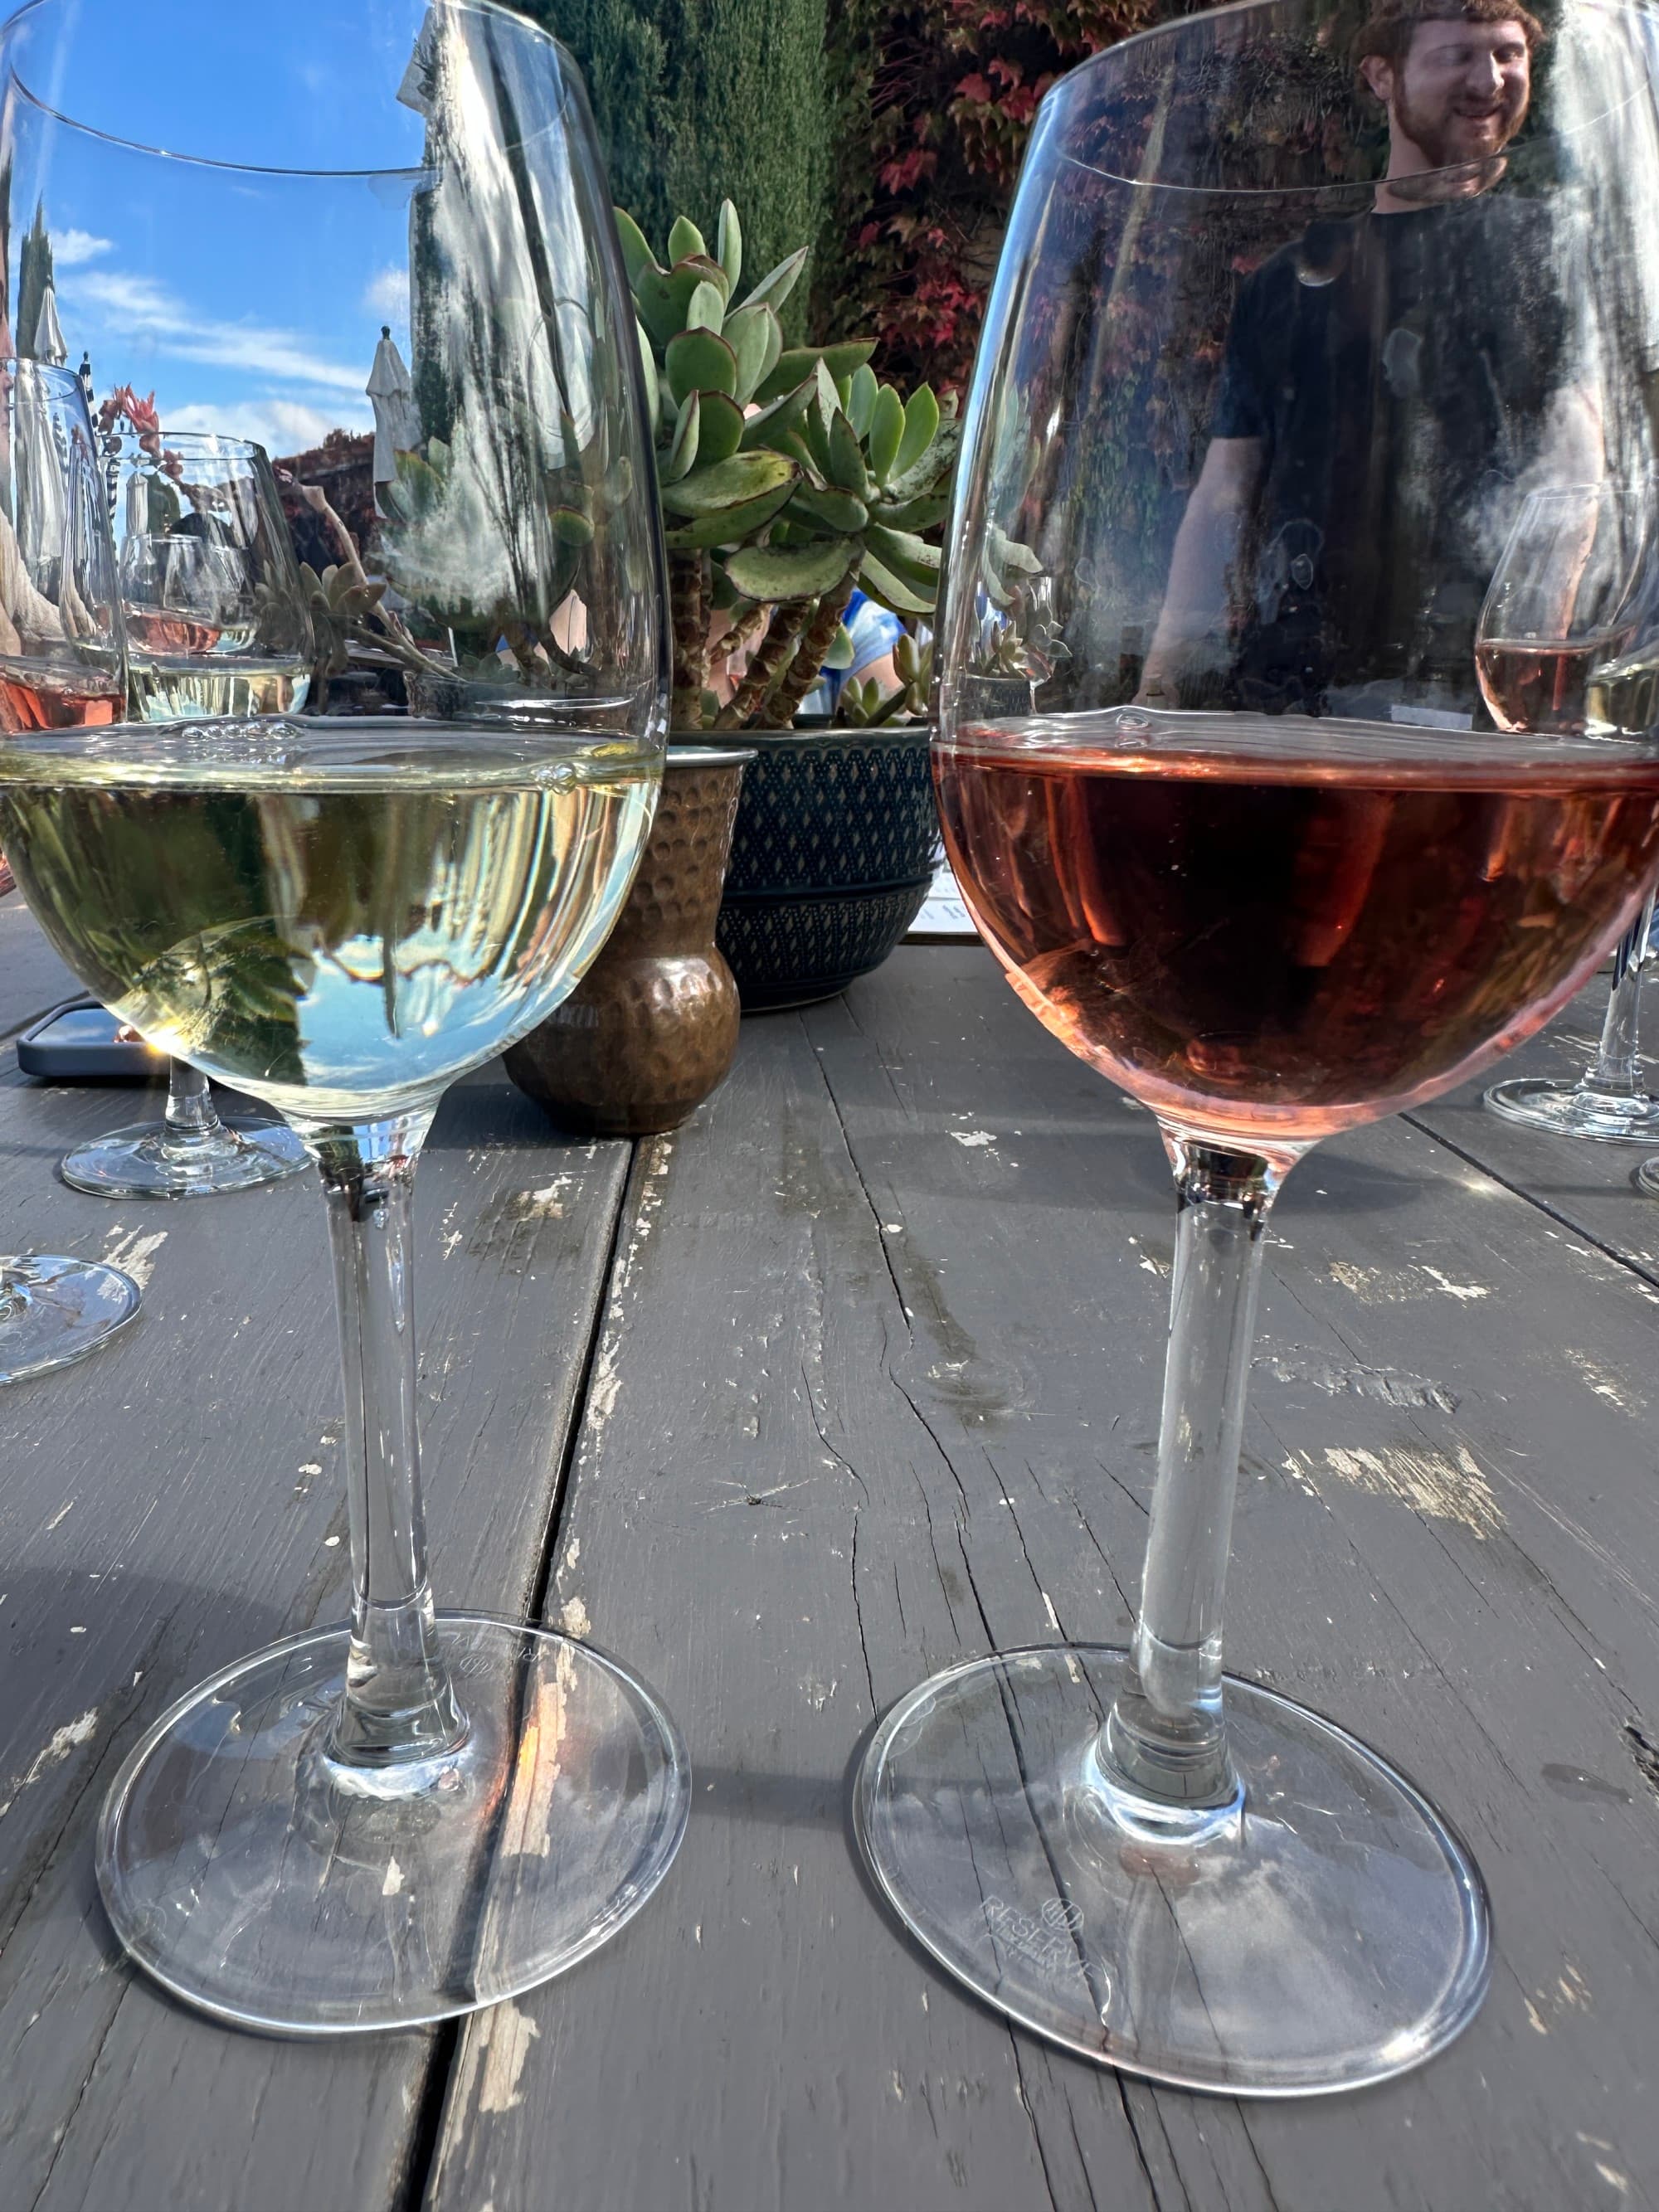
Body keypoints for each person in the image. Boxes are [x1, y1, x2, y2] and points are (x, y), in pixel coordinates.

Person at [1138, 0, 1598, 719]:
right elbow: (1224, 492)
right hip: (1288, 707)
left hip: (1468, 710)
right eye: (1458, 55)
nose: (1489, 79)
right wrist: (1160, 689)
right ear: (1382, 76)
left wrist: (1528, 687)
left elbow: (1577, 474)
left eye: (1508, 54)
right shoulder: (1284, 282)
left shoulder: (1549, 251)